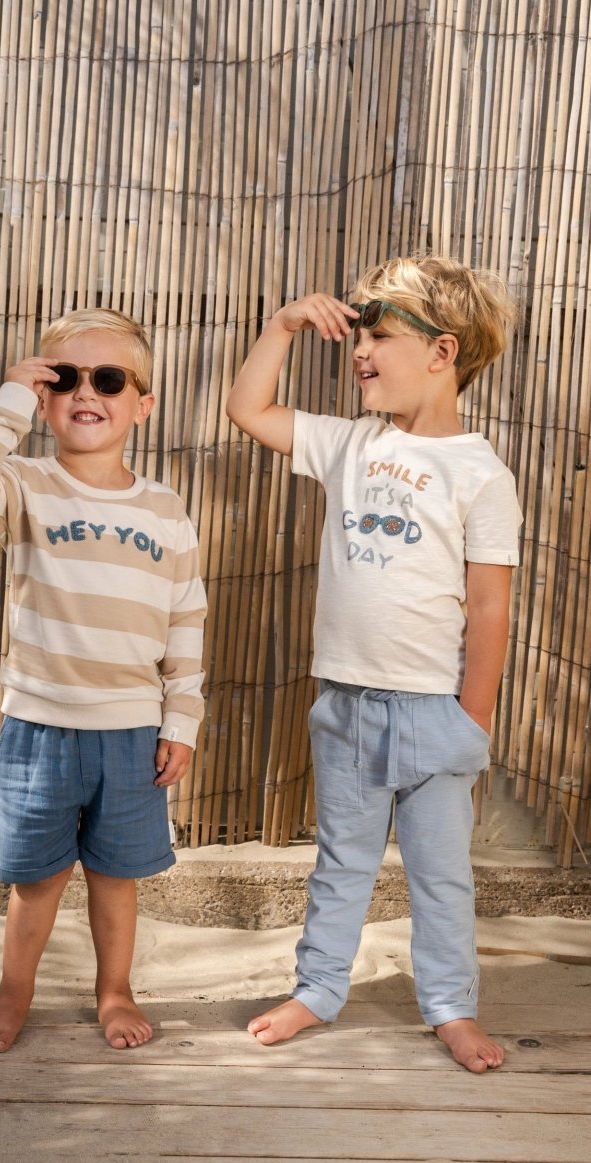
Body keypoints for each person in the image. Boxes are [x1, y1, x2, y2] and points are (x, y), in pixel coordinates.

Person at [225, 256, 521, 1073]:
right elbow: (248, 409)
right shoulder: (350, 443)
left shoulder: (481, 475)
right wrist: (283, 325)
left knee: (440, 876)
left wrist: (472, 720)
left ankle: (452, 1007)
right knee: (341, 865)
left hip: (434, 714)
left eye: (380, 336)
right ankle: (318, 991)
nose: (359, 352)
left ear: (442, 352)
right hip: (346, 706)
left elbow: (489, 607)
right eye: (358, 337)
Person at [0, 309, 206, 1053]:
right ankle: (13, 990)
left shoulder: (165, 509)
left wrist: (181, 722)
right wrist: (11, 399)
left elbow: (186, 620)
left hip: (131, 732)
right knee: (38, 881)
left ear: (143, 405)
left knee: (116, 879)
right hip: (41, 728)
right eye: (65, 379)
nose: (87, 392)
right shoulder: (25, 484)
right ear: (45, 399)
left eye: (110, 379)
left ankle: (115, 991)